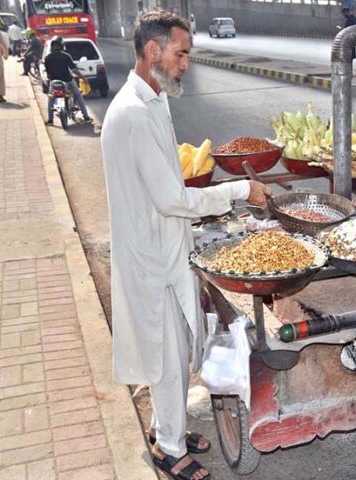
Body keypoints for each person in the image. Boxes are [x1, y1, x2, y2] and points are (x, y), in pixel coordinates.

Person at [100, 10, 270, 480]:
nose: (185, 64)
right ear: (153, 51)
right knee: (167, 358)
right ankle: (169, 451)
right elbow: (172, 198)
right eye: (181, 54)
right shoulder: (133, 113)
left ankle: (164, 428)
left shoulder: (154, 101)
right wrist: (238, 191)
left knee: (173, 352)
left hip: (165, 246)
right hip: (150, 257)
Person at [43, 35, 92, 124]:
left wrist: (51, 80)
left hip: (54, 82)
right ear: (62, 45)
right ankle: (86, 117)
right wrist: (83, 78)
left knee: (51, 98)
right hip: (68, 80)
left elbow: (48, 73)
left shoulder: (47, 58)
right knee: (78, 95)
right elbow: (74, 70)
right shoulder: (66, 56)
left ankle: (50, 120)